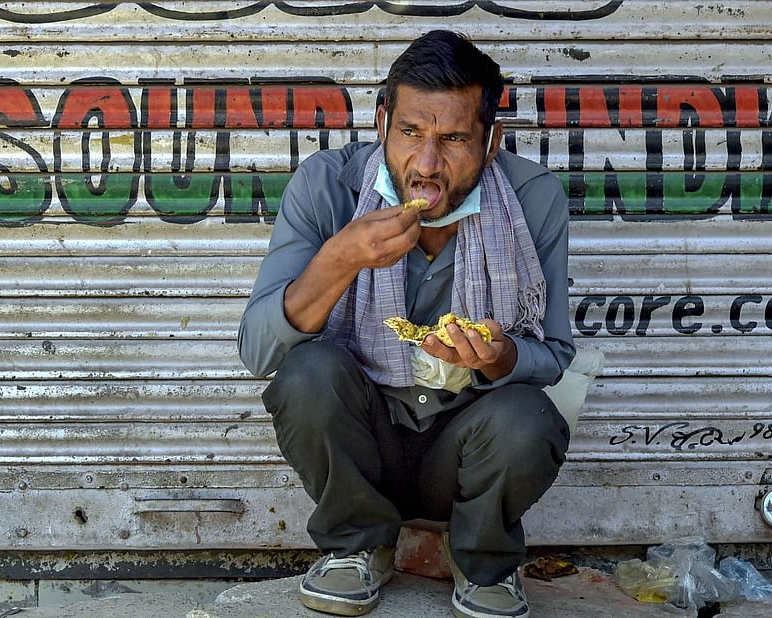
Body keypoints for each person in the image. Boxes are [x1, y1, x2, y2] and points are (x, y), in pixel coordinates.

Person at [238, 29, 574, 618]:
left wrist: (500, 356)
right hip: (360, 437)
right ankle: (357, 545)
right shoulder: (328, 186)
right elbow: (259, 349)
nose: (425, 165)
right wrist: (339, 260)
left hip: (465, 442)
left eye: (453, 140)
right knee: (307, 375)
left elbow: (555, 354)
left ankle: (484, 560)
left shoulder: (532, 198)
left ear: (492, 141)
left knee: (530, 418)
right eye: (411, 133)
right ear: (381, 122)